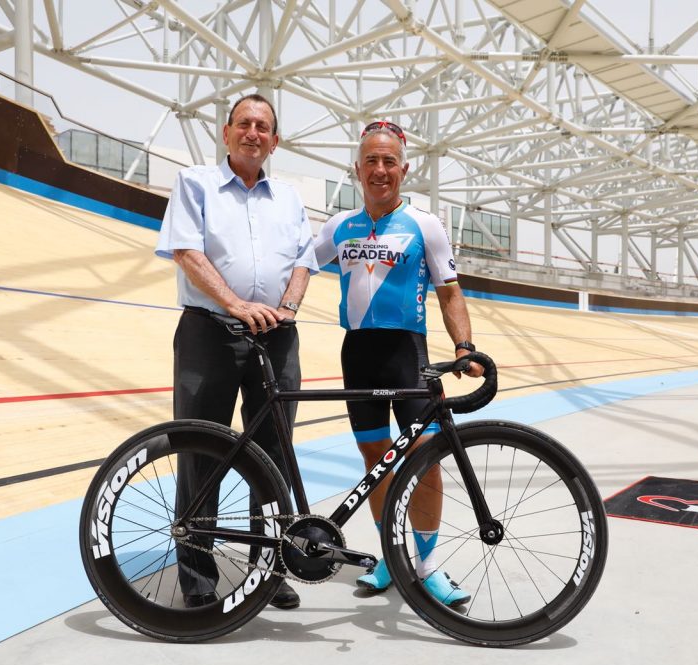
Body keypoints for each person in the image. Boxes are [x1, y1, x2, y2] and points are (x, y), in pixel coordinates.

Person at [156, 93, 317, 610]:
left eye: (263, 126)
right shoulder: (194, 182)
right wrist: (237, 303)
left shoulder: (290, 197)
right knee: (200, 452)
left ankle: (268, 569)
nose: (253, 132)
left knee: (273, 457)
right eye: (244, 123)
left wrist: (288, 307)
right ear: (226, 133)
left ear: (275, 140)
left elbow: (303, 260)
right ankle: (198, 579)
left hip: (277, 335)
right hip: (210, 332)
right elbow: (186, 251)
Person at [313, 121, 483, 607]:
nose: (380, 170)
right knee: (375, 461)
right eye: (371, 161)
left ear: (404, 169)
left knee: (425, 462)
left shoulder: (425, 224)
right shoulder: (339, 227)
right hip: (358, 355)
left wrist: (464, 347)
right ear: (357, 169)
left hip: (408, 357)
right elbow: (298, 265)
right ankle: (392, 554)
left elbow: (450, 291)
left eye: (389, 161)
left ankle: (426, 564)